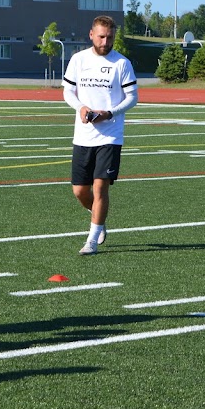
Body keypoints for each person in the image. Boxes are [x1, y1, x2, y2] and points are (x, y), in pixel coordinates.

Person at [63, 16, 138, 255]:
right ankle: (98, 217)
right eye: (102, 36)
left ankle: (92, 240)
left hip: (110, 137)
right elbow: (68, 92)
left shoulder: (122, 63)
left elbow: (132, 98)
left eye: (110, 37)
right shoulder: (78, 59)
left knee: (100, 188)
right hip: (83, 136)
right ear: (91, 35)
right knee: (79, 191)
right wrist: (81, 108)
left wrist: (110, 113)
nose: (106, 42)